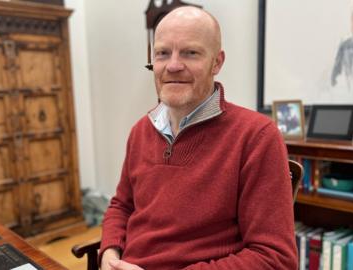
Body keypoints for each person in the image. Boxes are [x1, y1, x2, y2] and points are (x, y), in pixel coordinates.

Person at [100, 6, 298, 270]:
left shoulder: (256, 137)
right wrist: (109, 254)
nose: (172, 65)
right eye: (162, 53)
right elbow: (121, 206)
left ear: (217, 62)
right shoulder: (140, 131)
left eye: (190, 53)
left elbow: (275, 259)